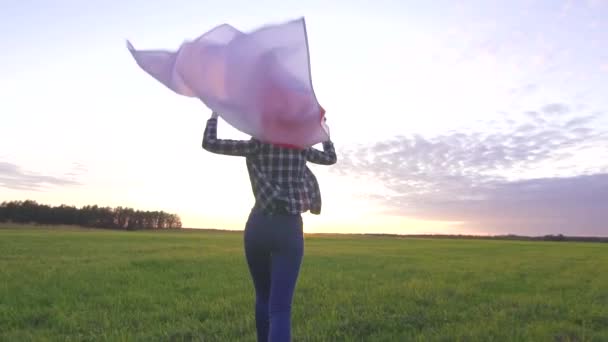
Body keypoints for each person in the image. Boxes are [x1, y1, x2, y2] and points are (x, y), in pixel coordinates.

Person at [202, 111, 337, 342]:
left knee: (263, 297)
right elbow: (330, 158)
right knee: (280, 309)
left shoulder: (258, 145)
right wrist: (324, 134)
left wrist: (215, 114)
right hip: (289, 228)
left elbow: (210, 143)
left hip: (259, 225)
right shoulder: (301, 147)